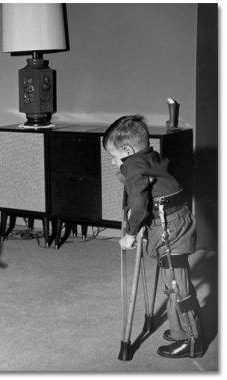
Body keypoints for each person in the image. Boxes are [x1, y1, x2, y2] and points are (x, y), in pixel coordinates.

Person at [103, 115, 203, 359]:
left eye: (114, 158)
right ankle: (182, 328)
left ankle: (191, 340)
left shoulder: (133, 166)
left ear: (127, 150)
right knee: (175, 280)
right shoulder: (149, 155)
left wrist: (130, 233)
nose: (115, 164)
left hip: (168, 226)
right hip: (176, 218)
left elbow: (139, 202)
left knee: (177, 285)